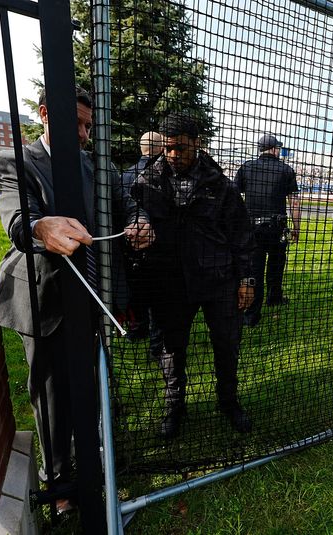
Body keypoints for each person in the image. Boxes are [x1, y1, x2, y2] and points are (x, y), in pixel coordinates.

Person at [0, 86, 153, 511]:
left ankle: (95, 467)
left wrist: (138, 222)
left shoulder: (94, 165)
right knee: (51, 394)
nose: (83, 134)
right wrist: (42, 226)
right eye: (75, 124)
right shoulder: (14, 160)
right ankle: (59, 483)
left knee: (93, 380)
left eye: (87, 126)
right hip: (44, 295)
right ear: (45, 114)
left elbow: (124, 203)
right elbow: (16, 216)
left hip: (93, 295)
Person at [130, 113, 256, 439]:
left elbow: (242, 237)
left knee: (227, 345)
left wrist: (247, 280)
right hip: (171, 283)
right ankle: (175, 406)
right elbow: (133, 213)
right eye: (169, 148)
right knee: (171, 348)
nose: (174, 155)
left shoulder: (221, 185)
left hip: (219, 281)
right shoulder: (148, 181)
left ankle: (228, 401)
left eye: (181, 148)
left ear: (196, 143)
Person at [235, 134, 301, 327]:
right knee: (276, 265)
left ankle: (251, 315)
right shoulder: (286, 170)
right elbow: (294, 202)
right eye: (278, 148)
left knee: (254, 270)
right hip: (276, 228)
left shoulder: (246, 167)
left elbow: (235, 195)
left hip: (252, 228)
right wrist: (296, 228)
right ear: (274, 149)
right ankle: (274, 297)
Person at [121, 131, 165, 352]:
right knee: (159, 298)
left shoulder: (125, 175)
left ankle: (137, 329)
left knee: (136, 290)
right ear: (161, 148)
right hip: (158, 245)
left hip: (131, 246)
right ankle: (157, 346)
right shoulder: (164, 175)